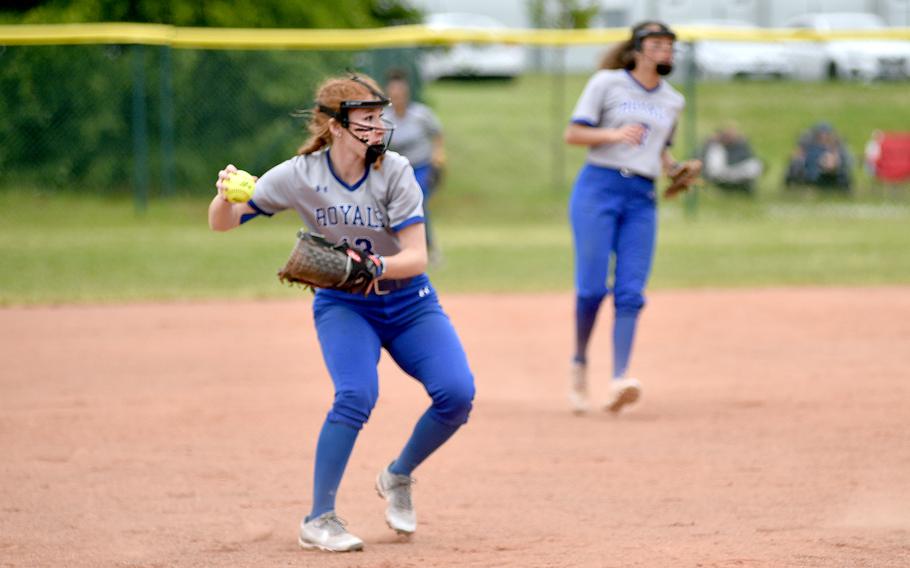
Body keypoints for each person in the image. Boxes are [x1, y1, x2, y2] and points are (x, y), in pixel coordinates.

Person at [207, 73, 475, 553]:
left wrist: (374, 263)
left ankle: (398, 475)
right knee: (355, 393)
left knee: (457, 395)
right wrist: (224, 195)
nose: (377, 128)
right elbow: (222, 224)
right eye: (365, 120)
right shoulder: (299, 174)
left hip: (408, 300)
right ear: (334, 126)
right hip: (345, 304)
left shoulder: (395, 170)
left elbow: (416, 256)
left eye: (379, 118)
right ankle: (319, 519)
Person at [563, 21, 700, 414]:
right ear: (637, 49)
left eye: (670, 45)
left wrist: (676, 170)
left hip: (641, 196)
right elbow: (573, 134)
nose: (665, 51)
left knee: (630, 292)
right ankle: (579, 362)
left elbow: (658, 150)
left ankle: (619, 378)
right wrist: (613, 134)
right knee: (591, 289)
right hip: (598, 188)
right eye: (657, 44)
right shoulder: (607, 83)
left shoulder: (673, 100)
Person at [384, 68, 446, 260]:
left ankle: (427, 248)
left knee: (417, 202)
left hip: (420, 167)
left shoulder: (420, 114)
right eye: (394, 94)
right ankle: (397, 247)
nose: (397, 97)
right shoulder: (384, 118)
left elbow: (437, 134)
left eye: (400, 94)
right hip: (396, 171)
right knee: (392, 206)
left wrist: (438, 156)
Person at [785, 122, 852, 191]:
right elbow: (796, 156)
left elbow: (848, 161)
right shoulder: (808, 144)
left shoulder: (836, 147)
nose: (823, 136)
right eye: (821, 134)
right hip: (809, 173)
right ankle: (793, 189)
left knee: (842, 173)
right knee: (795, 166)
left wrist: (835, 162)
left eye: (826, 134)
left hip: (829, 174)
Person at [701, 123, 763, 193]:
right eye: (725, 135)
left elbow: (748, 160)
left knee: (755, 165)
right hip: (721, 176)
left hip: (737, 173)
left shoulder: (741, 146)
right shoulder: (715, 148)